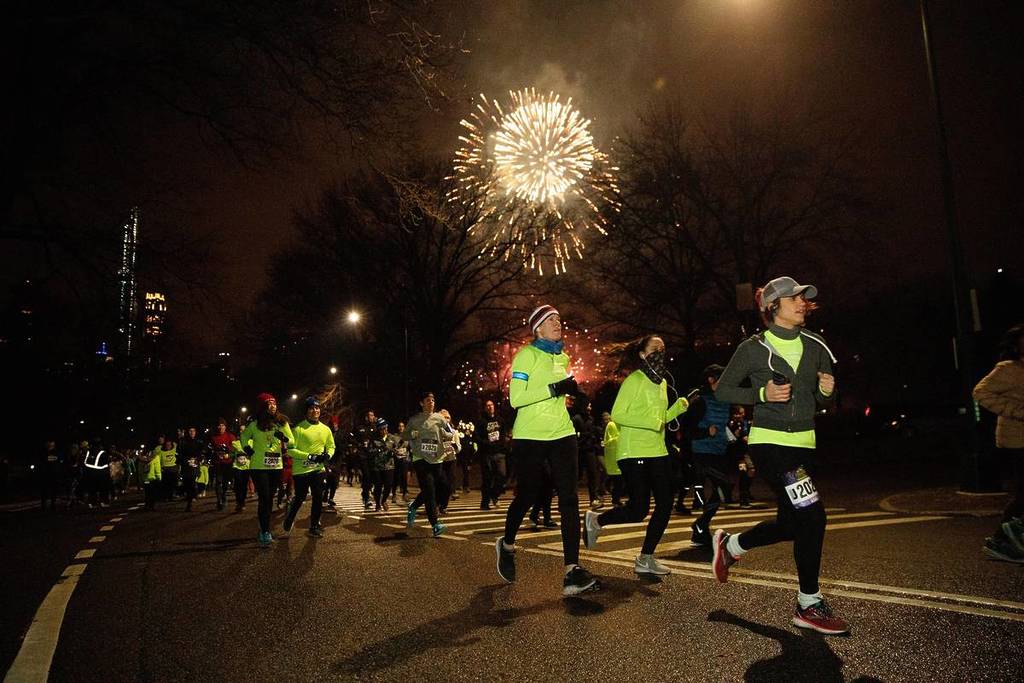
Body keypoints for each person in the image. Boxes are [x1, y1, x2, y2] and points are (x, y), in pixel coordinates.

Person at [711, 276, 847, 635]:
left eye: (804, 297)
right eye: (794, 298)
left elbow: (824, 401)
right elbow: (723, 390)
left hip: (805, 443)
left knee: (792, 523)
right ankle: (809, 603)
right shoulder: (753, 348)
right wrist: (762, 393)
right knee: (813, 516)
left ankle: (732, 545)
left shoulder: (817, 345)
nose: (802, 302)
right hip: (770, 444)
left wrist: (827, 391)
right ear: (772, 306)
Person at [495, 304, 599, 596]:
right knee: (529, 493)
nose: (558, 322)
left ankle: (572, 572)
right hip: (530, 435)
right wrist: (555, 389)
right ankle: (507, 544)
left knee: (569, 497)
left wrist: (575, 395)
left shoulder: (562, 356)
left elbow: (562, 389)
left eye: (559, 318)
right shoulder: (525, 355)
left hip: (562, 433)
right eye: (551, 319)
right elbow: (516, 398)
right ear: (537, 328)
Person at [583, 335, 690, 575]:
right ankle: (596, 521)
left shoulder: (662, 383)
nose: (659, 351)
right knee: (638, 509)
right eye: (654, 348)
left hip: (658, 450)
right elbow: (619, 415)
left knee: (665, 504)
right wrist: (652, 421)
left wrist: (677, 409)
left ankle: (646, 558)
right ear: (642, 354)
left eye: (663, 348)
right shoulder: (635, 380)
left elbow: (659, 421)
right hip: (633, 451)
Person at [973, 323, 1024, 562]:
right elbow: (980, 392)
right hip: (1017, 439)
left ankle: (1004, 540)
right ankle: (1001, 539)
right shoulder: (1007, 369)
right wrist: (1016, 410)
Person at [237, 393, 294, 547]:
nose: (273, 406)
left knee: (270, 499)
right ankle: (264, 531)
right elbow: (243, 438)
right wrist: (248, 449)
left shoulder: (282, 422)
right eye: (269, 404)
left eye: (274, 403)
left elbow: (292, 440)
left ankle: (264, 527)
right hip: (258, 467)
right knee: (265, 497)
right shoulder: (254, 424)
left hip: (276, 466)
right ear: (263, 406)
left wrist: (281, 436)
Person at [685, 365, 732, 546]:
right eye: (721, 378)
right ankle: (700, 525)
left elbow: (722, 425)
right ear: (711, 380)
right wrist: (706, 432)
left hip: (719, 450)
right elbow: (687, 430)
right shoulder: (700, 401)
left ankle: (700, 528)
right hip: (702, 452)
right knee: (724, 484)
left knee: (723, 490)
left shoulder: (725, 401)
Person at [284, 396, 335, 538]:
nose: (315, 410)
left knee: (318, 496)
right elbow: (290, 450)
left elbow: (331, 446)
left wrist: (328, 456)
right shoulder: (298, 429)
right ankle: (290, 516)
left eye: (317, 408)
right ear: (306, 411)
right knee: (300, 497)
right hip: (301, 470)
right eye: (312, 408)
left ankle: (314, 526)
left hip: (318, 470)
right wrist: (309, 456)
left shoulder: (325, 429)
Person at [403, 392, 452, 537]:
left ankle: (414, 506)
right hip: (421, 459)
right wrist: (412, 435)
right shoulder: (414, 420)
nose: (431, 402)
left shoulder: (440, 418)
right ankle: (435, 525)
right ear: (421, 403)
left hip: (437, 459)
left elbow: (450, 432)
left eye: (433, 400)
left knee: (441, 487)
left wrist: (447, 435)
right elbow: (405, 435)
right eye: (428, 400)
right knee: (429, 491)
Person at [474, 399, 510, 510]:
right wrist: (486, 443)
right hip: (486, 453)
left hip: (499, 452)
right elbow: (476, 437)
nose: (490, 407)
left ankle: (494, 494)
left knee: (502, 475)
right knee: (487, 478)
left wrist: (502, 445)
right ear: (485, 408)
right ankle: (485, 503)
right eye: (487, 405)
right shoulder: (481, 421)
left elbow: (503, 434)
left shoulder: (500, 420)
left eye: (491, 405)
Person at [571, 398, 603, 509]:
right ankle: (569, 499)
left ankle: (594, 498)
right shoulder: (576, 419)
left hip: (590, 450)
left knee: (593, 474)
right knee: (575, 476)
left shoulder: (590, 419)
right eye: (588, 405)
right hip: (579, 451)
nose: (590, 408)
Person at [728, 406, 755, 508]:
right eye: (740, 413)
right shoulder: (732, 424)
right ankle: (743, 499)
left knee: (751, 471)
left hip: (745, 452)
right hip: (738, 454)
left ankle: (745, 494)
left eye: (743, 413)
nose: (742, 415)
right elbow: (742, 438)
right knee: (743, 473)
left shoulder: (745, 423)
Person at [368, 418, 396, 511]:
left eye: (385, 428)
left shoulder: (392, 438)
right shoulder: (373, 439)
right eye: (381, 429)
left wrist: (395, 452)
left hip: (389, 465)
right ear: (378, 429)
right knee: (378, 486)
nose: (384, 430)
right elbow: (369, 452)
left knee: (388, 485)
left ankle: (384, 500)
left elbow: (399, 448)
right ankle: (377, 504)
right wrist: (379, 449)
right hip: (377, 467)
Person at [209, 419, 237, 511]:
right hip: (218, 464)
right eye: (219, 425)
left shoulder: (231, 436)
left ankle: (224, 495)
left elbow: (235, 451)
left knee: (225, 483)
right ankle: (219, 500)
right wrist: (215, 455)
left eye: (222, 425)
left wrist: (229, 455)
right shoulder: (213, 438)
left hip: (227, 464)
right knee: (218, 481)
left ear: (225, 426)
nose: (221, 427)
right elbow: (211, 450)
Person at [601, 412, 624, 507]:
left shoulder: (620, 425)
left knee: (620, 481)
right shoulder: (611, 425)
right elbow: (609, 441)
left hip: (621, 456)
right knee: (618, 481)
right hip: (614, 458)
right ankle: (615, 499)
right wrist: (622, 438)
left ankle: (616, 499)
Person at [179, 426, 204, 511]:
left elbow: (201, 453)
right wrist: (186, 461)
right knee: (187, 483)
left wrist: (197, 460)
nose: (192, 432)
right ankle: (190, 497)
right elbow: (180, 453)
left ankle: (190, 503)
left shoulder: (199, 442)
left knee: (192, 482)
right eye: (190, 431)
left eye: (193, 431)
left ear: (195, 432)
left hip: (195, 465)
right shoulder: (183, 442)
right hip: (186, 465)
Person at [83, 438, 112, 508]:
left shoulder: (88, 452)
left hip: (90, 472)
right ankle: (104, 502)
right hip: (101, 473)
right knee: (103, 488)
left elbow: (84, 462)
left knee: (92, 489)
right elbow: (106, 463)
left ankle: (92, 503)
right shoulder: (103, 453)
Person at [38, 440, 63, 511]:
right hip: (45, 474)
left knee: (53, 489)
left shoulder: (57, 452)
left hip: (54, 474)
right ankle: (43, 504)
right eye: (49, 444)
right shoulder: (43, 452)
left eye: (52, 444)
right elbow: (42, 460)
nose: (51, 445)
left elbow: (59, 460)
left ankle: (53, 504)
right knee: (44, 490)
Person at [390, 421, 410, 504]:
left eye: (402, 426)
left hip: (404, 460)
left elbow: (409, 447)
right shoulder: (394, 437)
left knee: (404, 477)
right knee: (396, 478)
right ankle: (394, 494)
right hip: (396, 460)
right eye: (400, 426)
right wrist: (394, 450)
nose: (401, 428)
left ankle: (405, 494)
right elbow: (391, 447)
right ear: (398, 427)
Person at [138, 443, 162, 510]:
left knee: (147, 492)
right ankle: (152, 505)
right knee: (153, 492)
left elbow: (140, 470)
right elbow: (157, 468)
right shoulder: (155, 457)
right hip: (153, 478)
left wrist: (140, 479)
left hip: (145, 478)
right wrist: (159, 477)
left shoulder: (140, 458)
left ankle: (147, 505)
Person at [158, 435, 179, 502]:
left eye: (169, 445)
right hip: (165, 469)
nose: (168, 446)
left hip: (173, 468)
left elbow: (177, 443)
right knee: (165, 484)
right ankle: (165, 496)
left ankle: (171, 496)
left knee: (173, 483)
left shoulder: (174, 448)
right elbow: (158, 460)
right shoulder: (161, 451)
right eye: (167, 445)